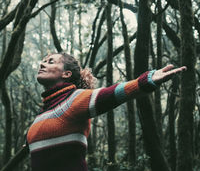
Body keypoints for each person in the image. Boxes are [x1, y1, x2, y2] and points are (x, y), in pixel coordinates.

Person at [27, 52, 186, 171]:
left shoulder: (74, 100)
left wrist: (146, 81)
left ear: (66, 74)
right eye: (43, 61)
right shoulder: (42, 113)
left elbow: (111, 94)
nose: (42, 64)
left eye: (50, 61)